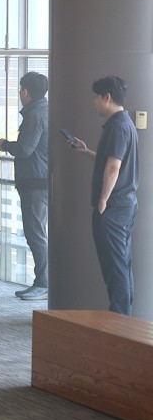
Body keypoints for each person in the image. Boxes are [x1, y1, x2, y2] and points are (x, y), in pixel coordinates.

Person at [68, 75, 140, 315]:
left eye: (96, 97)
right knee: (122, 263)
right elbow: (110, 160)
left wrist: (102, 201)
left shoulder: (118, 126)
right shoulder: (124, 123)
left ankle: (119, 319)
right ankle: (123, 317)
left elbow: (113, 168)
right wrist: (87, 151)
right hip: (125, 204)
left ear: (107, 97)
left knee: (115, 266)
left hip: (114, 207)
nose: (94, 102)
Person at [0, 72, 50, 301]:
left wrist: (4, 144)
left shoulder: (35, 115)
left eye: (20, 90)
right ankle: (43, 281)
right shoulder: (45, 110)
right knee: (37, 233)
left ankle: (44, 283)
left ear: (26, 92)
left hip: (35, 183)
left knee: (35, 234)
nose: (19, 94)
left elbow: (25, 149)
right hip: (39, 181)